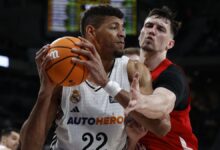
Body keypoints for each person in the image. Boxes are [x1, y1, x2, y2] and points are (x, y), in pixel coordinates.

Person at [20, 5, 174, 150]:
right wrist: (44, 93)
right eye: (114, 27)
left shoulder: (133, 70)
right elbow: (28, 147)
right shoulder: (64, 69)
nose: (123, 33)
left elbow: (162, 127)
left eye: (123, 28)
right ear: (91, 32)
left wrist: (106, 84)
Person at [125, 6, 198, 149]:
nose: (152, 31)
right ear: (140, 35)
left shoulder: (172, 74)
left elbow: (164, 102)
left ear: (170, 44)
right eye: (149, 26)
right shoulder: (128, 69)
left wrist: (142, 101)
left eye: (161, 29)